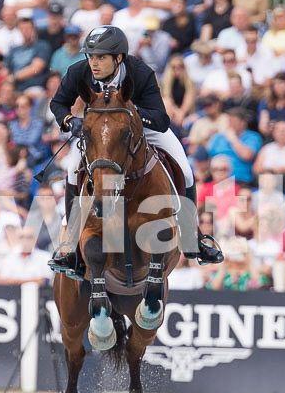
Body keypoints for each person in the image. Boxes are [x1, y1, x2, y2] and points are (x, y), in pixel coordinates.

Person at [47, 25, 223, 277]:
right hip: (100, 134)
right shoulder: (79, 71)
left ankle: (192, 237)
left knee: (185, 169)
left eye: (101, 57)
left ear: (118, 57)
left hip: (141, 129)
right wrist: (68, 120)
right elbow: (58, 103)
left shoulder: (140, 72)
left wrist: (129, 115)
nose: (94, 63)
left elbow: (160, 119)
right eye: (91, 56)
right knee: (73, 170)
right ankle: (71, 245)